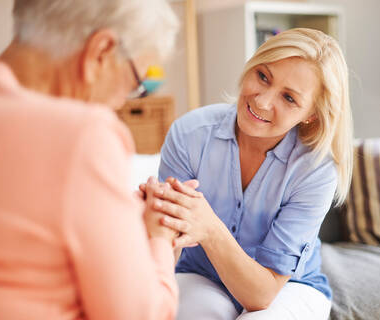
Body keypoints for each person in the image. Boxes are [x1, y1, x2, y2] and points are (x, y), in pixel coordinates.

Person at [0, 0, 179, 319]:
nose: (122, 101)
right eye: (135, 83)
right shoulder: (85, 135)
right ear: (101, 50)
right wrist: (158, 238)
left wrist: (117, 215)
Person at [145, 28, 353, 319]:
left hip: (289, 288)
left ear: (312, 114)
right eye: (263, 76)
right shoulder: (189, 134)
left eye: (289, 98)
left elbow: (262, 295)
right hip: (200, 275)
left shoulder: (315, 169)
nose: (262, 101)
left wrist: (208, 227)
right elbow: (165, 250)